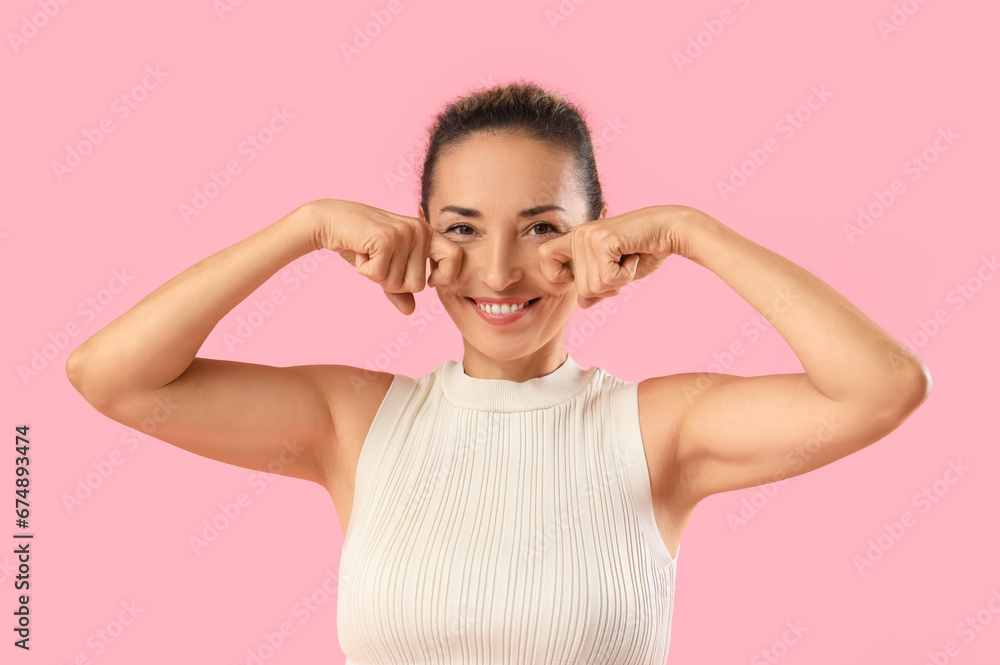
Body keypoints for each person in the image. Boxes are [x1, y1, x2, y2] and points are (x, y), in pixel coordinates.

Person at [66, 81, 931, 664]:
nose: (501, 272)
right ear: (417, 237)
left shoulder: (661, 430)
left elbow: (881, 386)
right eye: (464, 228)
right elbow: (113, 376)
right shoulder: (353, 423)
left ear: (603, 234)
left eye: (544, 227)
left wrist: (693, 232)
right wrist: (305, 226)